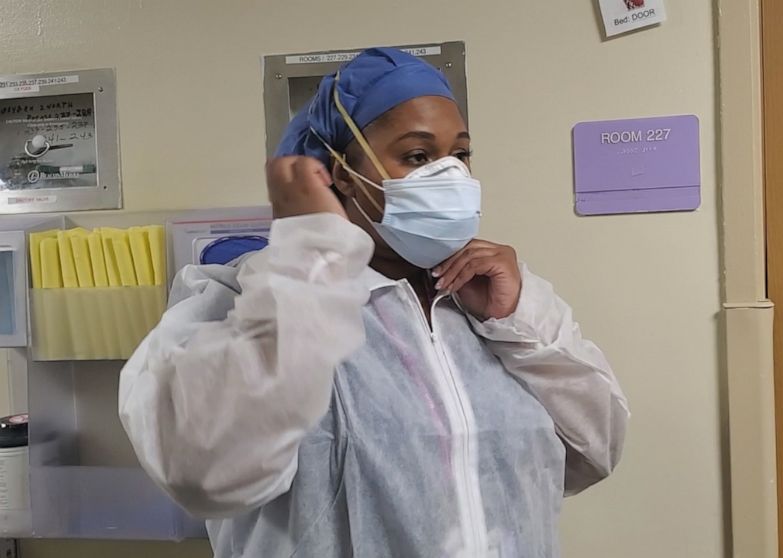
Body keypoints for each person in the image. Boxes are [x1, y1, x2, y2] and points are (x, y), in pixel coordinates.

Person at [119, 47, 628, 558]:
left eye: (461, 154)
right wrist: (311, 271)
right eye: (417, 156)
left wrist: (518, 322)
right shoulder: (240, 299)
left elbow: (594, 452)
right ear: (340, 172)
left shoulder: (497, 300)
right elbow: (202, 473)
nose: (450, 175)